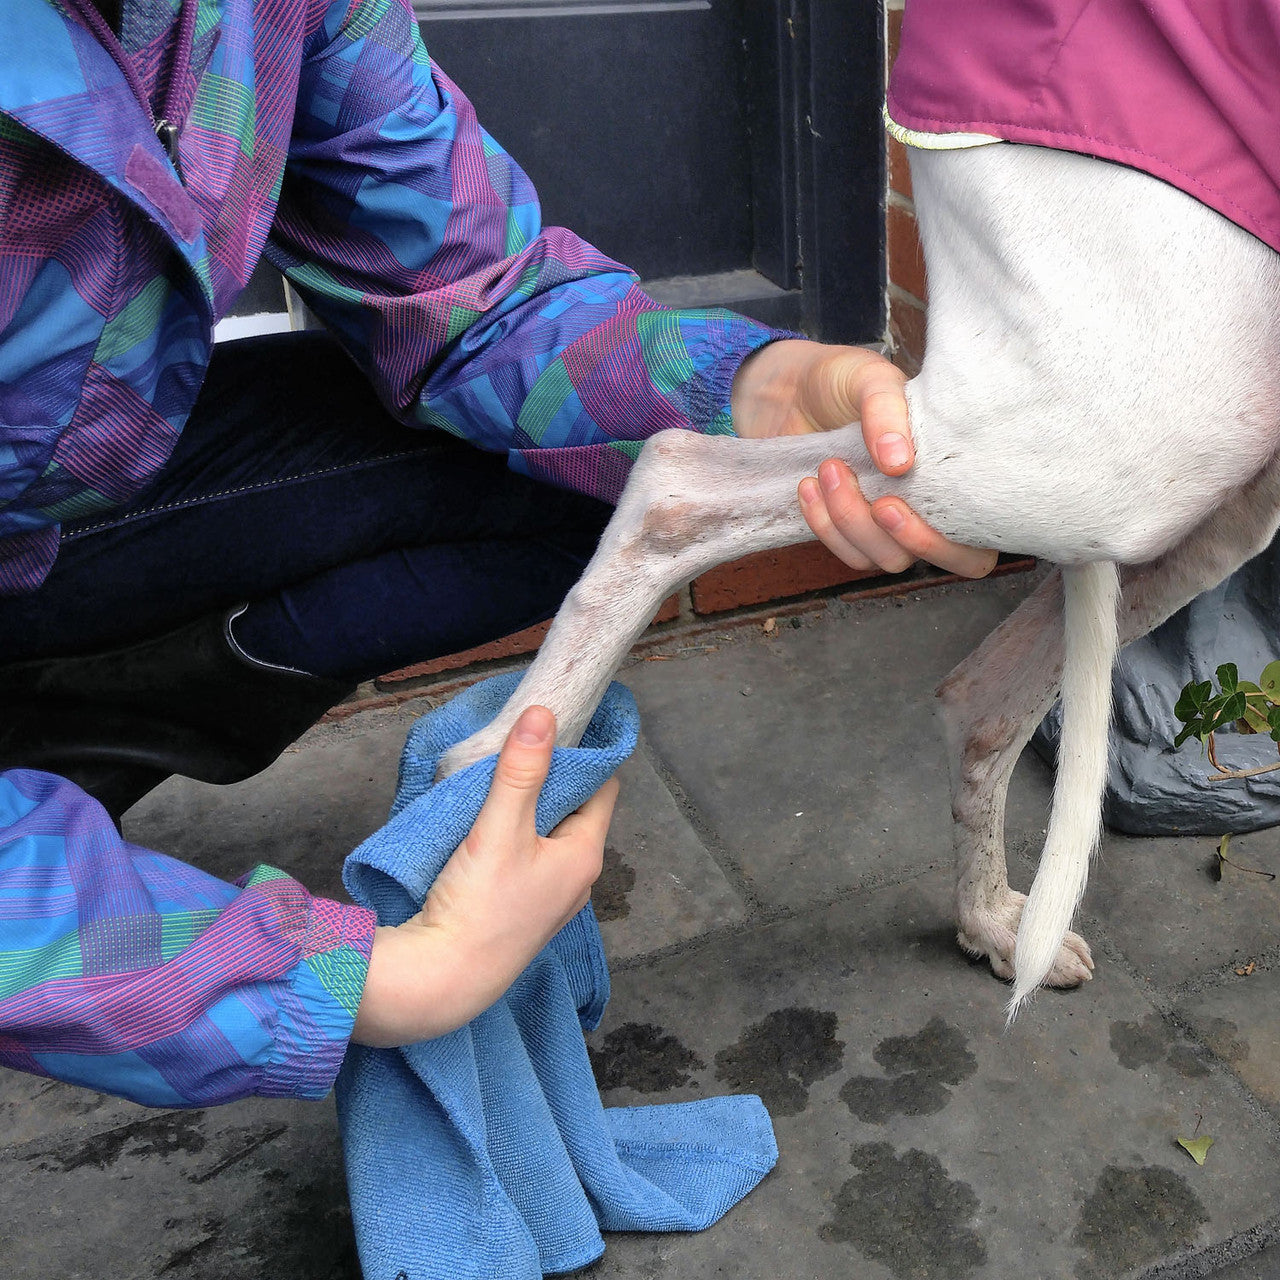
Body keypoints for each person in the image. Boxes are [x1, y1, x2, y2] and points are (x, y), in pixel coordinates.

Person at [0, 0, 994, 1106]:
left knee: (608, 476)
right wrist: (374, 977)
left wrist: (752, 390)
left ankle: (66, 756)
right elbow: (380, 980)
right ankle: (51, 902)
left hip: (51, 517)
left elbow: (474, 305)